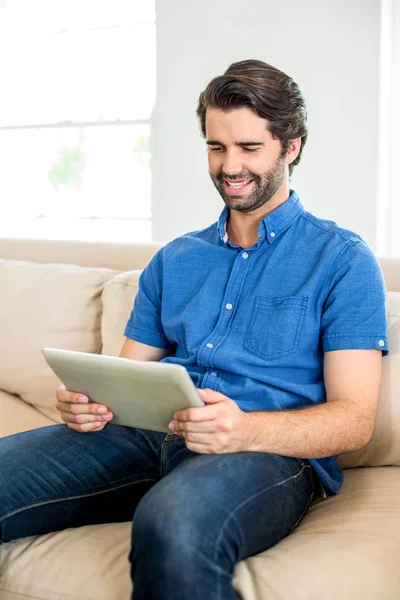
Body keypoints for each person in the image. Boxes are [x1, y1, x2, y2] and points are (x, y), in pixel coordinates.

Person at [0, 60, 388, 599]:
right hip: (142, 436)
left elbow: (354, 422)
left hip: (262, 452)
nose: (230, 166)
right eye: (216, 147)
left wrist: (246, 430)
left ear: (291, 147)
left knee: (172, 523)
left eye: (249, 148)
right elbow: (125, 373)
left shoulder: (342, 261)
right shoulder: (176, 258)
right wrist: (89, 401)